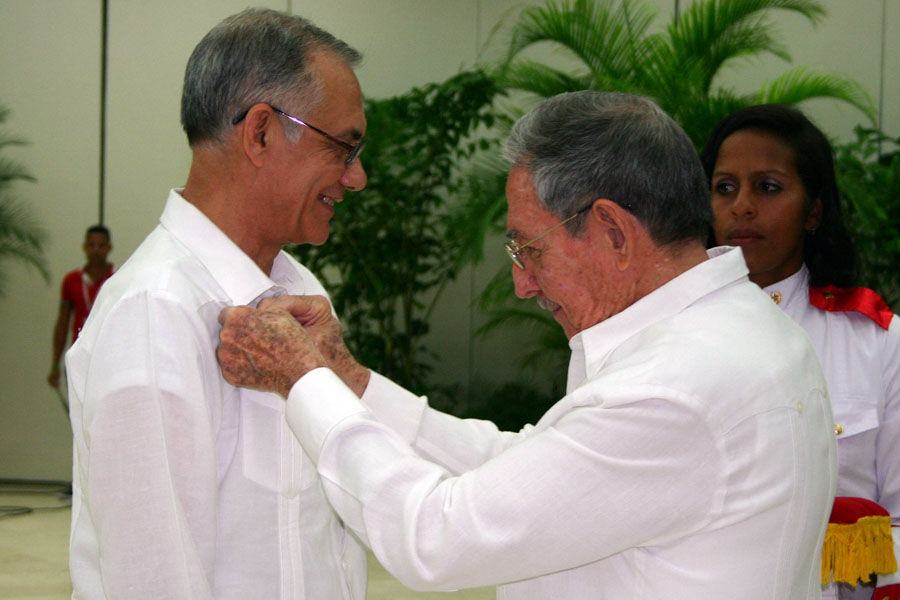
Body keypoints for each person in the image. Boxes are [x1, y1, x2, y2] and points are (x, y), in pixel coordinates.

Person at [217, 91, 838, 599]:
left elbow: (437, 538)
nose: (521, 284)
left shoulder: (676, 387)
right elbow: (528, 468)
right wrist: (349, 380)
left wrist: (303, 381)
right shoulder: (737, 332)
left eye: (528, 248)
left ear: (614, 232)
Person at [65, 9, 368, 599]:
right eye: (344, 148)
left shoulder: (300, 290)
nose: (355, 178)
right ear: (260, 132)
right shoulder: (155, 314)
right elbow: (156, 579)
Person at [701, 104, 900, 600]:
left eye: (767, 187)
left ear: (813, 211)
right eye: (725, 187)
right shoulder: (658, 331)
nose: (741, 206)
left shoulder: (878, 343)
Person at [47, 224, 113, 389]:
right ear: (84, 247)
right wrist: (55, 363)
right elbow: (63, 323)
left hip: (109, 356)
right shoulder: (72, 280)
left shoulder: (117, 277)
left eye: (101, 245)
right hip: (79, 355)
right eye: (91, 245)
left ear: (109, 248)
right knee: (79, 410)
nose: (96, 250)